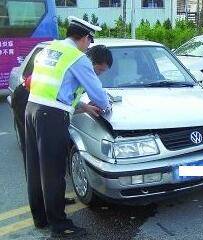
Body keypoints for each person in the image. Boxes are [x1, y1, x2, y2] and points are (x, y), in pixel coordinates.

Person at [24, 16, 111, 238]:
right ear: (83, 37)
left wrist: (82, 107)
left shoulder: (49, 50)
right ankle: (60, 226)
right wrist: (106, 105)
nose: (90, 45)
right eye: (90, 40)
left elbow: (56, 89)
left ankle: (41, 217)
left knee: (36, 169)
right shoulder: (77, 58)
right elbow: (98, 94)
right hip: (51, 117)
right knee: (53, 172)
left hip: (32, 109)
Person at [10, 45, 113, 205]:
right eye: (98, 71)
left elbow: (66, 95)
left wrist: (84, 107)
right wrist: (104, 104)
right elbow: (99, 98)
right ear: (90, 62)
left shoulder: (78, 63)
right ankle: (46, 207)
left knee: (50, 161)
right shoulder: (78, 63)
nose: (97, 76)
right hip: (27, 99)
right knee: (38, 160)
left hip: (40, 105)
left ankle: (53, 200)